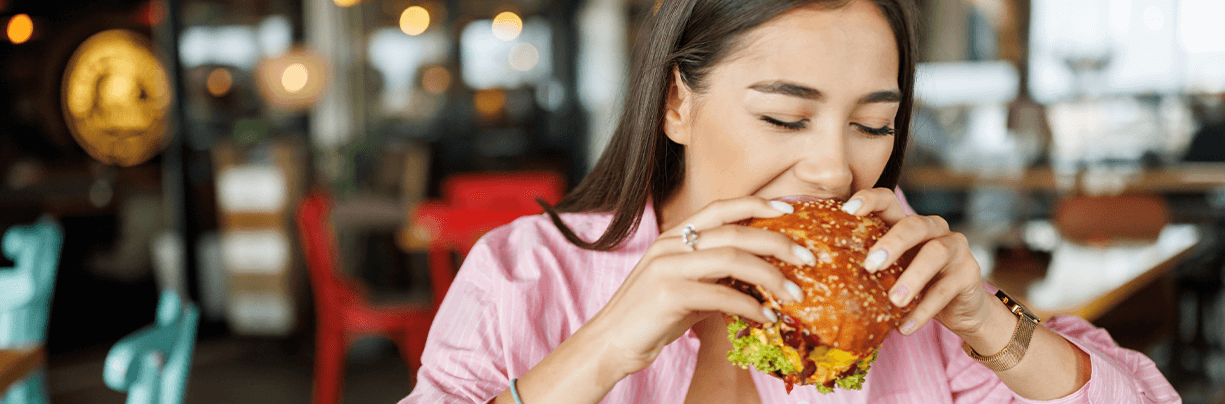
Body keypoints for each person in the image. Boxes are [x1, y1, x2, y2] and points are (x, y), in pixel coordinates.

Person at [400, 0, 1179, 402]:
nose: (834, 168)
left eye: (873, 123)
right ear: (678, 103)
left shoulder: (909, 291)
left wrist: (983, 318)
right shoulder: (522, 274)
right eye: (783, 116)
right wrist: (602, 348)